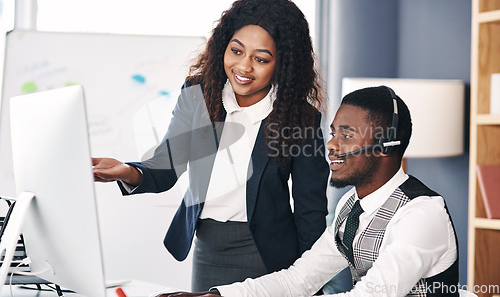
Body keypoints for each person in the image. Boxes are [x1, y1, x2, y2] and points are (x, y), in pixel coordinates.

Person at [92, 0, 330, 291]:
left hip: (269, 258)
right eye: (236, 51)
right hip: (209, 249)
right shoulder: (199, 95)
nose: (244, 67)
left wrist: (309, 282)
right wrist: (126, 170)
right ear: (223, 46)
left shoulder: (300, 118)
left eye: (261, 59)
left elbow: (311, 211)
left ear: (282, 64)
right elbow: (167, 166)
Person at [159, 86, 459, 297]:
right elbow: (298, 281)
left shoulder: (420, 214)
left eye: (347, 134)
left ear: (386, 146)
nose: (331, 144)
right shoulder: (351, 206)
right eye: (333, 132)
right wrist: (218, 295)